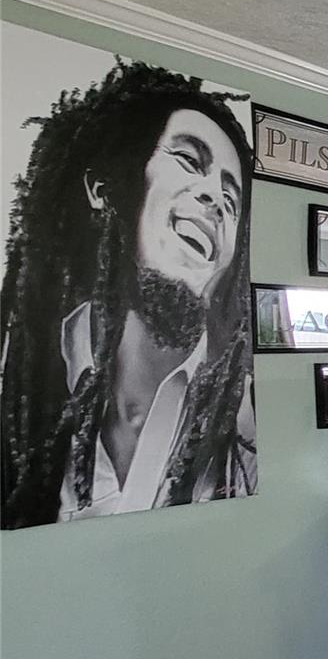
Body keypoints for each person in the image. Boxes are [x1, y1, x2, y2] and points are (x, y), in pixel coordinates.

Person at [2, 59, 257, 528]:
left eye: (232, 198)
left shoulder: (242, 435)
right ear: (105, 189)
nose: (216, 201)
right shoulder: (25, 390)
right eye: (188, 160)